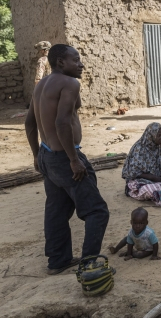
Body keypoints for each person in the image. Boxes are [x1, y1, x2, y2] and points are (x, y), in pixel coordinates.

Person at [25, 44, 110, 275]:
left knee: (57, 211)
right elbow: (62, 123)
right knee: (97, 211)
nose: (81, 64)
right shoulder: (70, 83)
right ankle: (88, 264)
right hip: (64, 156)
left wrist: (36, 155)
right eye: (76, 59)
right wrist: (73, 158)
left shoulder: (41, 85)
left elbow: (30, 123)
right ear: (61, 62)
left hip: (46, 155)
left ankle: (58, 261)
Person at [122, 123, 161, 207]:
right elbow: (132, 173)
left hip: (160, 178)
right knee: (150, 189)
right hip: (143, 181)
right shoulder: (139, 148)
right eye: (159, 135)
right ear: (151, 135)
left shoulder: (159, 146)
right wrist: (153, 177)